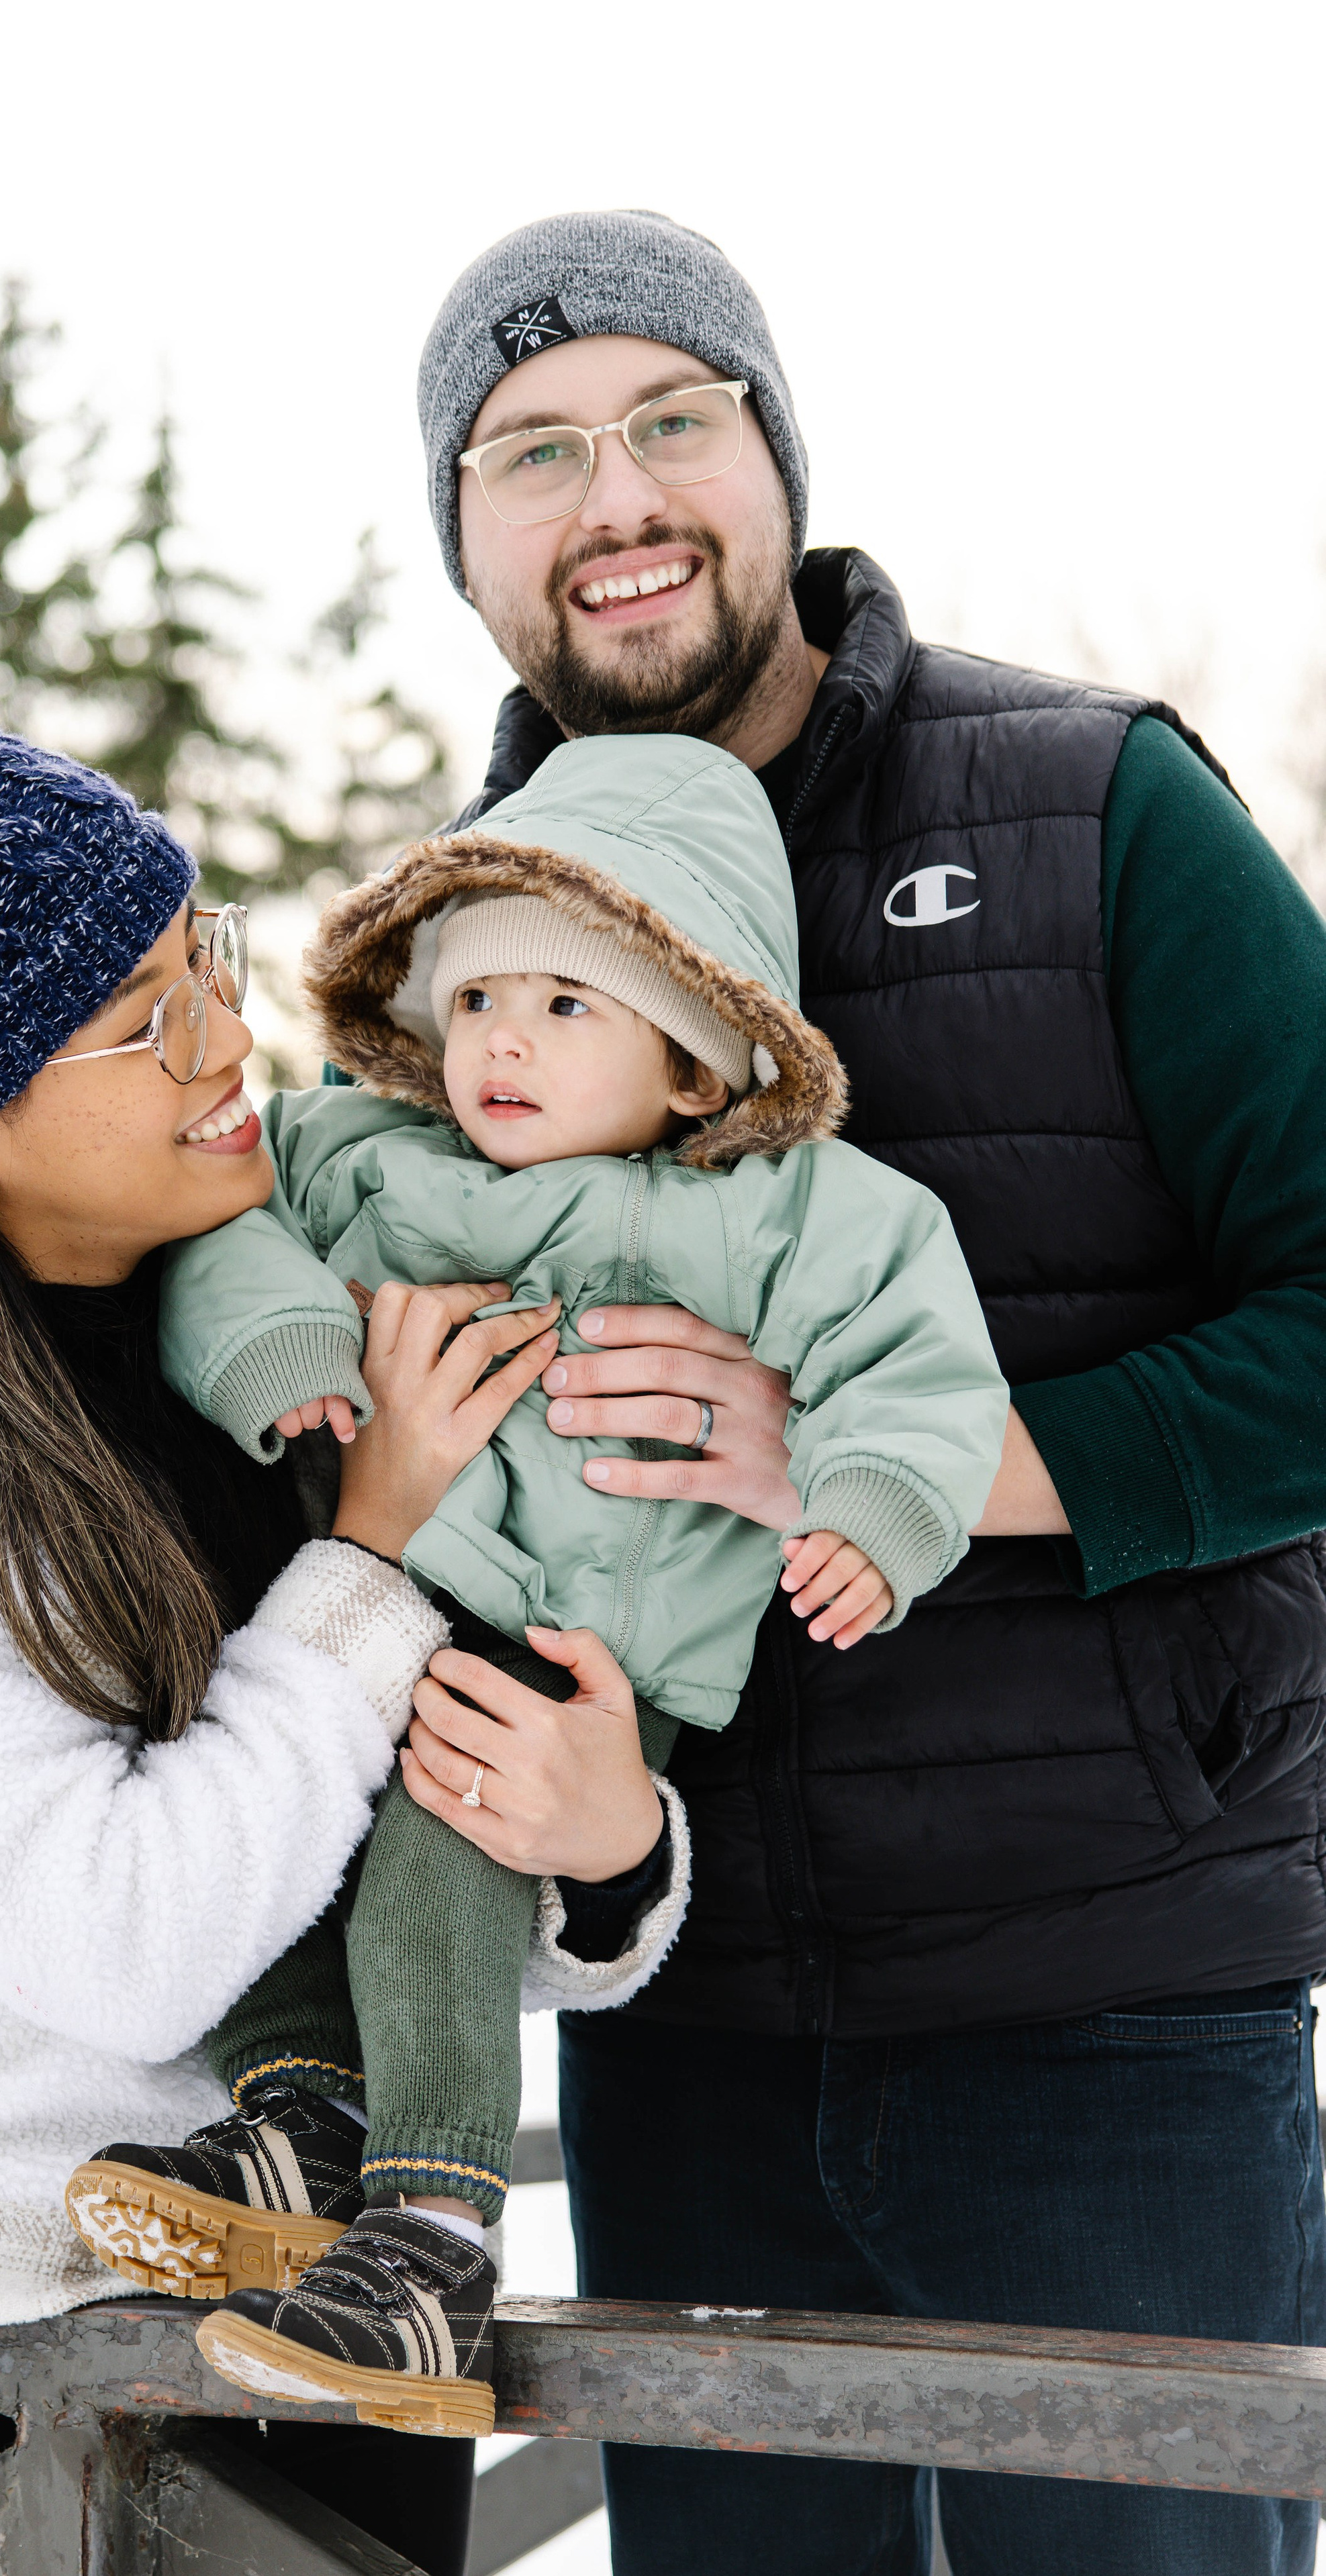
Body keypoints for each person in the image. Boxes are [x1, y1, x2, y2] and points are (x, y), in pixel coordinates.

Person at [399, 211, 1326, 2575]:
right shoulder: (455, 949)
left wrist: (930, 1464)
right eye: (530, 452)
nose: (614, 496)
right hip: (680, 2004)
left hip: (1105, 1999)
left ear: (777, 457)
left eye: (671, 419)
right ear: (466, 536)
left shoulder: (1097, 803)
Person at [0, 699, 680, 2576]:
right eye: (144, 1020)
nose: (226, 1043)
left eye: (211, 959)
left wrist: (605, 1856)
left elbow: (376, 1886)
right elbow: (125, 1938)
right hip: (15, 2341)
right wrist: (373, 1550)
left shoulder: (277, 1318)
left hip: (342, 2285)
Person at [60, 728, 1005, 2436]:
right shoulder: (362, 1151)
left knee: (441, 1839)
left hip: (569, 1648)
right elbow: (227, 1225)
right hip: (367, 1588)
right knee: (264, 1798)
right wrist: (274, 1333)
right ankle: (299, 2115)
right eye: (480, 997)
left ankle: (426, 2240)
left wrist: (870, 1503)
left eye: (567, 1006)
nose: (503, 1037)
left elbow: (916, 1358)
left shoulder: (795, 1214)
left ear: (702, 1064)